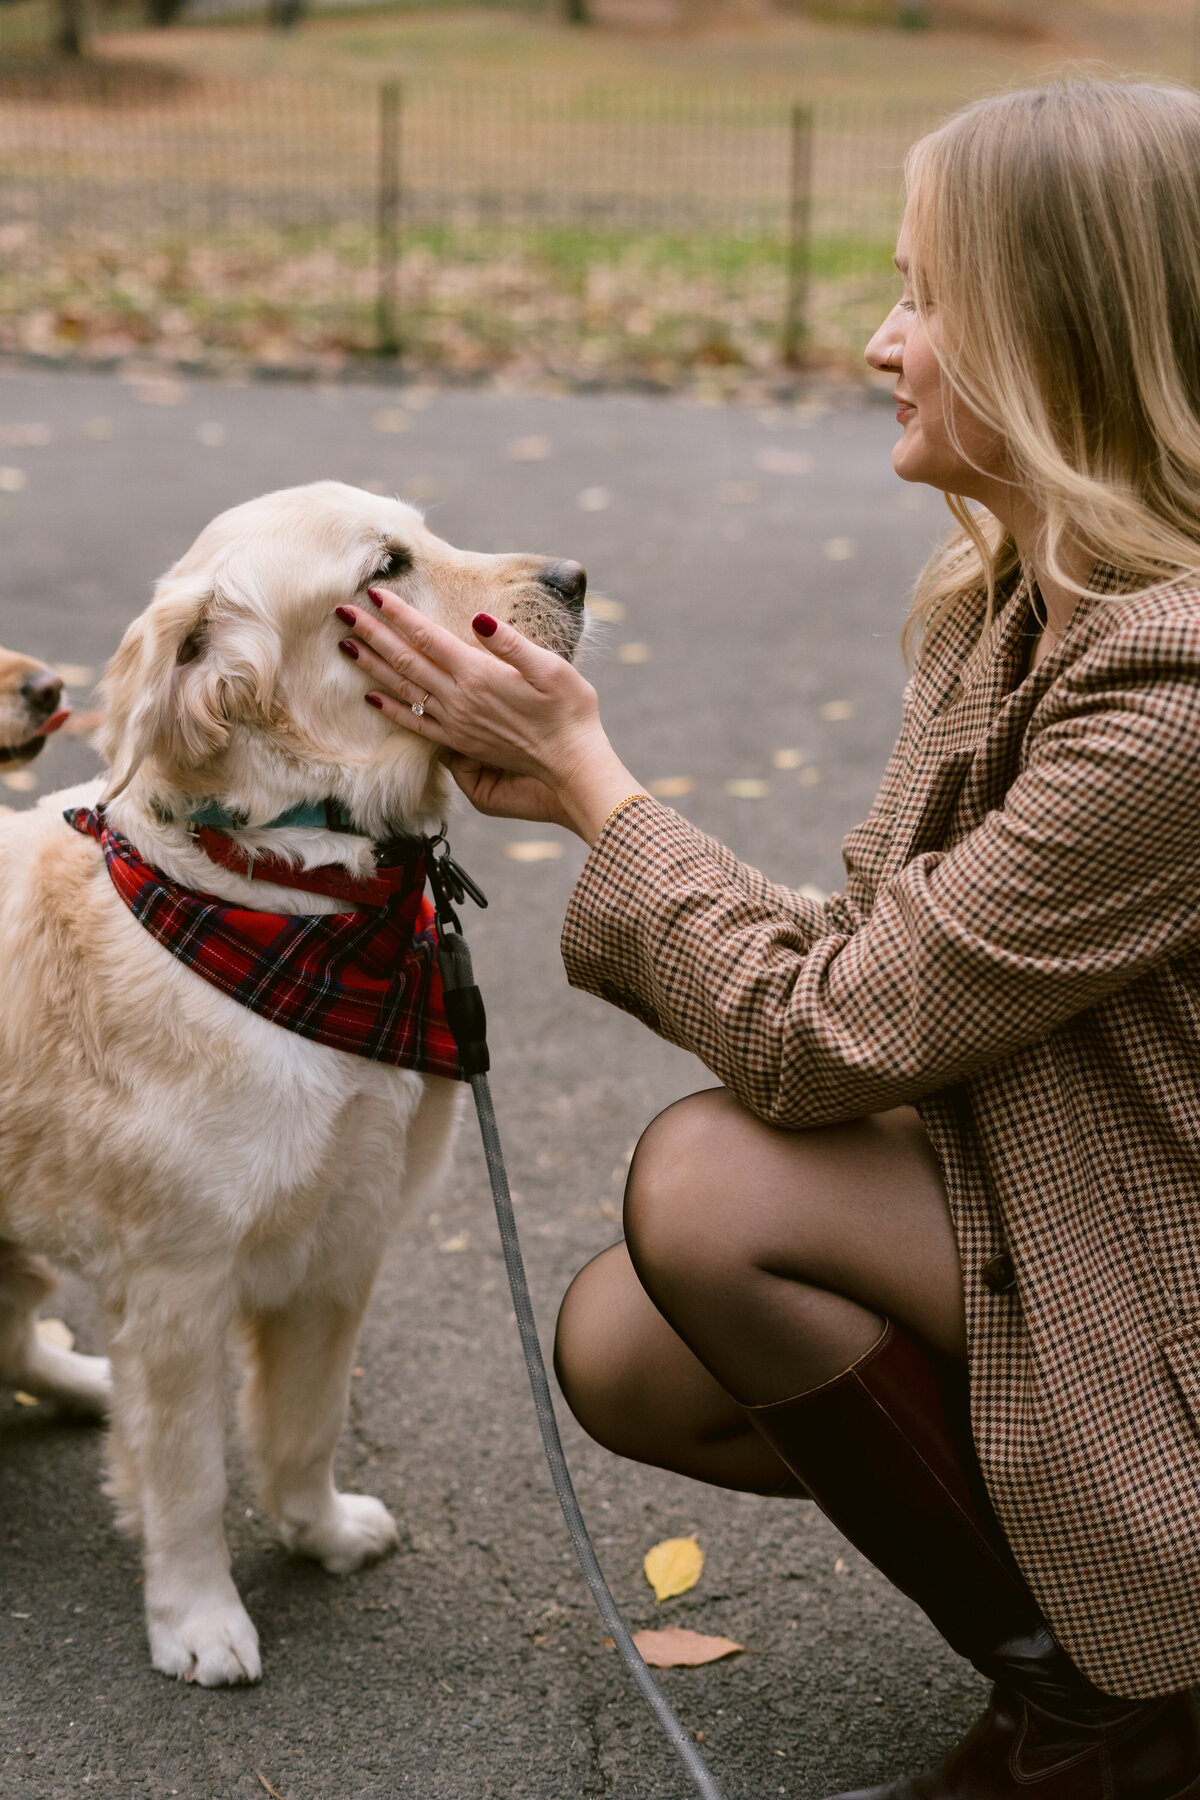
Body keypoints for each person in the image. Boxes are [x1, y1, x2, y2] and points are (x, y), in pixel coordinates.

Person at [335, 79, 1200, 1800]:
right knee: (631, 1352)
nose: (885, 342)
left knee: (719, 1190)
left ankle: (1126, 1722)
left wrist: (597, 787)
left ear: (1060, 334)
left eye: (929, 299)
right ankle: (1106, 1634)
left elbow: (823, 1041)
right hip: (1082, 1178)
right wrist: (576, 788)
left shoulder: (1172, 686)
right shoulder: (1012, 602)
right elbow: (890, 956)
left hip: (1161, 1244)